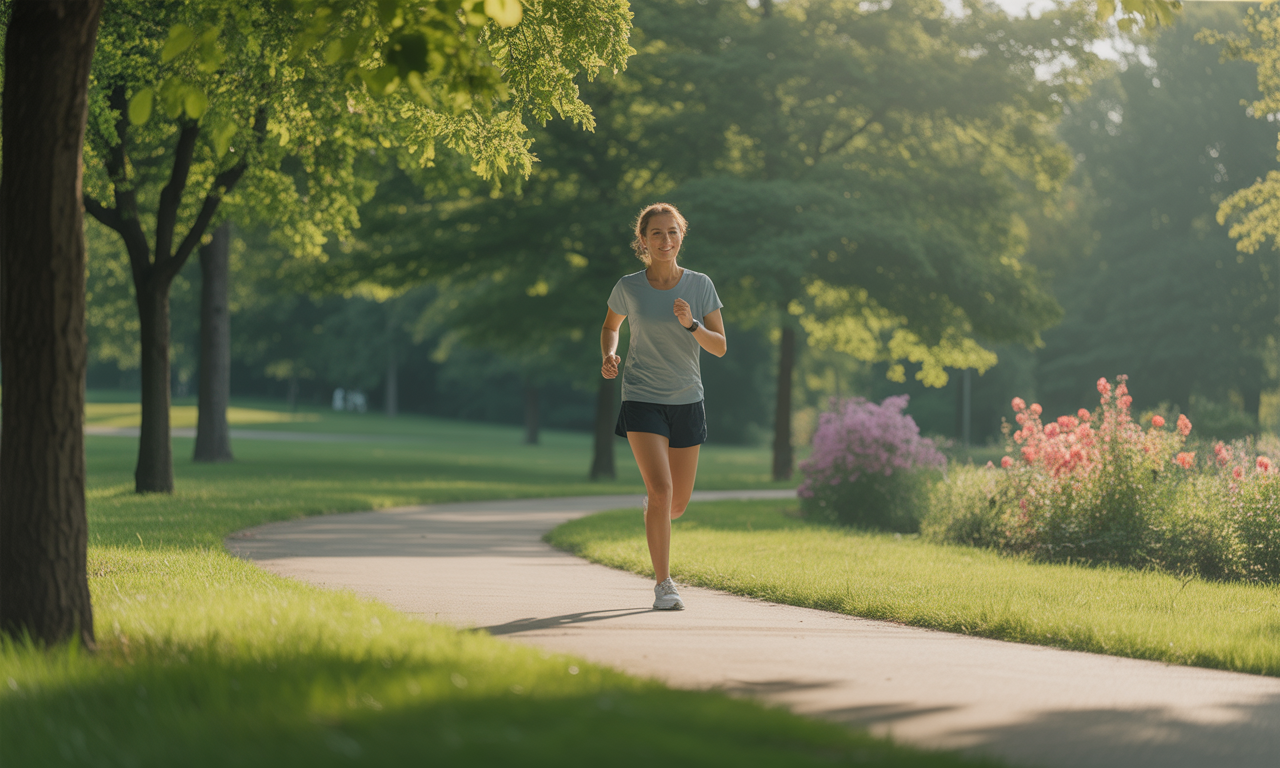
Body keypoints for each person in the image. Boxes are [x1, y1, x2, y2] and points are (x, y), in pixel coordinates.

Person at [601, 203, 726, 610]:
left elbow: (720, 347)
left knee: (676, 503)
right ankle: (663, 584)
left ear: (681, 236)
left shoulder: (701, 285)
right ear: (643, 240)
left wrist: (693, 325)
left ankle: (655, 508)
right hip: (641, 396)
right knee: (661, 489)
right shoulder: (628, 287)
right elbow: (610, 325)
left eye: (672, 232)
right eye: (656, 233)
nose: (665, 240)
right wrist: (609, 354)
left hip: (687, 398)